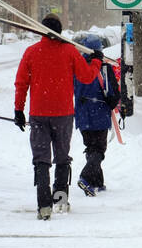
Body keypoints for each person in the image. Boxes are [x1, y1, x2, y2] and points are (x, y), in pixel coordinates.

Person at [13, 15, 102, 220]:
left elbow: (21, 83)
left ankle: (44, 206)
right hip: (63, 114)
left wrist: (19, 110)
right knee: (62, 158)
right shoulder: (69, 51)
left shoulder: (31, 52)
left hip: (38, 114)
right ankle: (61, 200)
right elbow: (87, 76)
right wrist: (96, 60)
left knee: (41, 161)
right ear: (60, 32)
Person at [73, 34, 120, 197]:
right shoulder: (105, 68)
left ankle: (97, 182)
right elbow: (114, 95)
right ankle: (86, 178)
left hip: (82, 115)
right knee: (99, 149)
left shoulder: (76, 67)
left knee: (91, 148)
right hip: (99, 114)